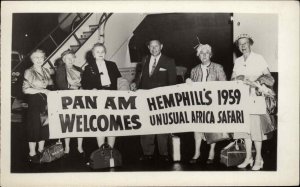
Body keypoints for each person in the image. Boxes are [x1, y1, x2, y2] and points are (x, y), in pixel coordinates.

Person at [231, 34, 275, 171]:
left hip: (256, 98)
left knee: (256, 131)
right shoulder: (237, 61)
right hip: (242, 100)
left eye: (245, 43)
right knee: (245, 131)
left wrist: (255, 81)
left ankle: (258, 159)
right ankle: (248, 157)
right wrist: (239, 78)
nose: (243, 46)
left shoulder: (258, 58)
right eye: (240, 44)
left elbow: (270, 79)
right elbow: (232, 79)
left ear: (250, 44)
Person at [130, 38, 177, 162]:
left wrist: (170, 101)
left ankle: (164, 153)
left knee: (162, 126)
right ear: (148, 47)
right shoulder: (144, 60)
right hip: (145, 99)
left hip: (162, 101)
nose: (154, 49)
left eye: (156, 46)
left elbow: (172, 83)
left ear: (161, 46)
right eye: (151, 46)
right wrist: (134, 84)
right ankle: (147, 152)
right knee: (146, 124)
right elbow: (138, 78)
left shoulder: (169, 61)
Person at [186, 44, 227, 164]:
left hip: (213, 103)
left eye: (206, 53)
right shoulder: (194, 70)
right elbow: (190, 88)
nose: (204, 55)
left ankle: (211, 152)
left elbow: (225, 85)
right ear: (198, 55)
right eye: (201, 53)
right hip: (198, 104)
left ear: (210, 54)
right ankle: (197, 152)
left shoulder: (218, 67)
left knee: (211, 127)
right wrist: (188, 81)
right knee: (197, 128)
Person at [81, 43, 122, 148]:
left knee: (112, 123)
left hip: (112, 96)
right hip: (98, 98)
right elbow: (84, 84)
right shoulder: (88, 68)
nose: (100, 54)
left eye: (102, 51)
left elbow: (120, 80)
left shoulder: (112, 65)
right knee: (101, 123)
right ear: (93, 54)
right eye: (97, 52)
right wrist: (92, 89)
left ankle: (111, 148)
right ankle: (101, 149)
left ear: (105, 53)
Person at [22, 49, 53, 163]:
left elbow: (50, 86)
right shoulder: (29, 71)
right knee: (34, 128)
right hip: (34, 102)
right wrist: (43, 90)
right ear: (32, 59)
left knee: (44, 127)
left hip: (45, 102)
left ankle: (41, 150)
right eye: (36, 57)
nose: (39, 60)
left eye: (41, 57)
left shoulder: (46, 70)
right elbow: (25, 90)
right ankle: (32, 153)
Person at [55, 49, 84, 157]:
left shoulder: (79, 69)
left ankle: (79, 146)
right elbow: (61, 85)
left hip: (79, 98)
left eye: (72, 58)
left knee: (80, 123)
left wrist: (81, 88)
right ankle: (67, 147)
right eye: (68, 58)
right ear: (63, 59)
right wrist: (75, 87)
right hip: (66, 99)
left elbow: (84, 84)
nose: (70, 60)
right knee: (68, 123)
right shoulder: (60, 69)